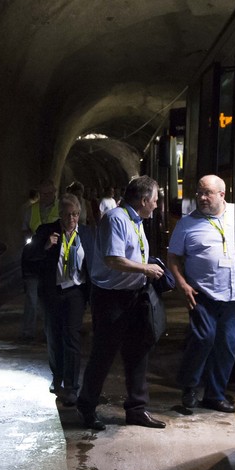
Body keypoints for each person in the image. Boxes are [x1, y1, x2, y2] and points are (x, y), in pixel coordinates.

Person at [76, 176, 167, 430]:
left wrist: (147, 270)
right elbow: (113, 259)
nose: (157, 205)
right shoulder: (117, 218)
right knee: (103, 354)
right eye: (155, 201)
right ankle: (86, 407)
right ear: (144, 200)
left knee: (138, 352)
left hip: (134, 296)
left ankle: (137, 409)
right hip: (111, 298)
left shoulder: (135, 220)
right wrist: (145, 268)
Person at [168, 175, 235, 413]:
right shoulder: (186, 224)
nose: (201, 198)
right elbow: (173, 257)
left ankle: (215, 395)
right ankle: (189, 386)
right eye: (199, 193)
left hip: (232, 294)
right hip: (202, 294)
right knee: (203, 339)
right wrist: (182, 284)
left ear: (222, 195)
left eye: (207, 193)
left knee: (227, 345)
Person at [22, 193, 95, 406]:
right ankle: (57, 375)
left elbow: (94, 261)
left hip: (75, 291)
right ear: (60, 214)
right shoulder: (47, 231)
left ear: (79, 214)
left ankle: (71, 386)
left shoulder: (87, 234)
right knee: (53, 335)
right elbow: (28, 256)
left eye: (75, 214)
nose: (71, 219)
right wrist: (45, 247)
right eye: (67, 214)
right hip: (52, 291)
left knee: (71, 336)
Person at [20, 179, 59, 342]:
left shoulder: (61, 208)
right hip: (34, 258)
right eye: (43, 193)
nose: (46, 196)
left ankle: (49, 331)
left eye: (49, 193)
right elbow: (25, 229)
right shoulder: (31, 210)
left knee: (50, 296)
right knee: (31, 296)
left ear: (55, 192)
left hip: (52, 260)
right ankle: (27, 332)